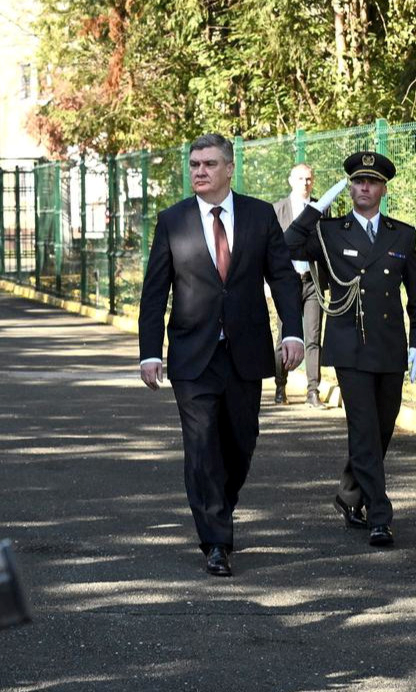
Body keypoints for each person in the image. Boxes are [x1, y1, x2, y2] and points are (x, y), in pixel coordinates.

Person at [137, 133, 304, 577]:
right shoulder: (172, 221)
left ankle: (220, 507)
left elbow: (284, 279)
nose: (200, 171)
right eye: (194, 164)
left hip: (246, 352)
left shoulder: (259, 215)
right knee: (201, 444)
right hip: (193, 355)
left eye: (209, 164)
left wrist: (294, 333)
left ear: (229, 168)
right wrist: (149, 352)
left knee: (240, 441)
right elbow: (155, 293)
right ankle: (215, 539)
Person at [284, 153, 416, 547]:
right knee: (364, 429)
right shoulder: (332, 232)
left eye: (372, 182)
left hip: (389, 348)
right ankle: (379, 516)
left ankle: (349, 494)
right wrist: (315, 209)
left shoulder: (402, 234)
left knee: (381, 430)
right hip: (350, 347)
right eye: (357, 182)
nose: (364, 188)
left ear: (383, 189)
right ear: (349, 187)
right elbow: (288, 245)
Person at [270, 163, 324, 406]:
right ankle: (280, 385)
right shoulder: (277, 210)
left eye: (309, 179)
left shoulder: (322, 208)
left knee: (313, 337)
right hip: (286, 284)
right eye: (301, 179)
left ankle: (313, 391)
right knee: (286, 336)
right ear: (291, 181)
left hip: (313, 282)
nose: (305, 183)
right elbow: (269, 251)